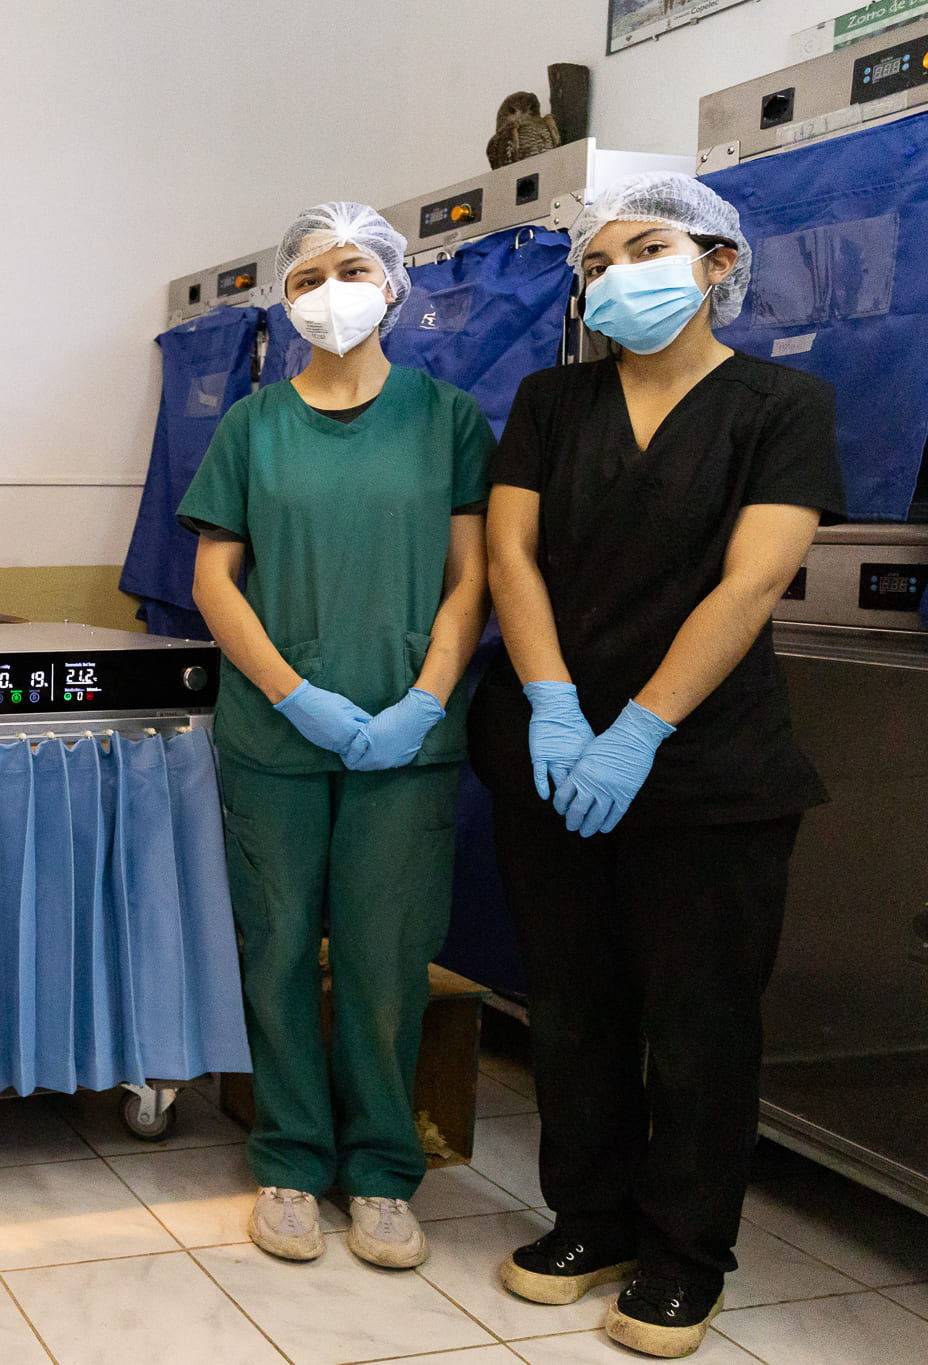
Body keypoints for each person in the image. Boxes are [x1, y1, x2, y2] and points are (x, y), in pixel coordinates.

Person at [471, 173, 842, 1359]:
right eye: (597, 260)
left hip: (707, 772)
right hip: (549, 750)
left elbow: (750, 581)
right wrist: (549, 707)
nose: (614, 273)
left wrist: (637, 728)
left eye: (646, 247)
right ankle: (590, 1220)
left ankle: (684, 1255)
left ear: (717, 263)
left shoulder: (780, 405)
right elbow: (511, 558)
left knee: (697, 1023)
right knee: (573, 1009)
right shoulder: (549, 398)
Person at [179, 202, 493, 1272]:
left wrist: (425, 697)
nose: (327, 292)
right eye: (306, 275)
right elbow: (212, 579)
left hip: (406, 739)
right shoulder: (252, 426)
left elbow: (470, 580)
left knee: (383, 960)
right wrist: (290, 692)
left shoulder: (445, 419)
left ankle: (379, 1173)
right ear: (282, 296)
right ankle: (286, 1158)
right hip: (273, 737)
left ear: (394, 288)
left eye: (350, 269)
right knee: (272, 951)